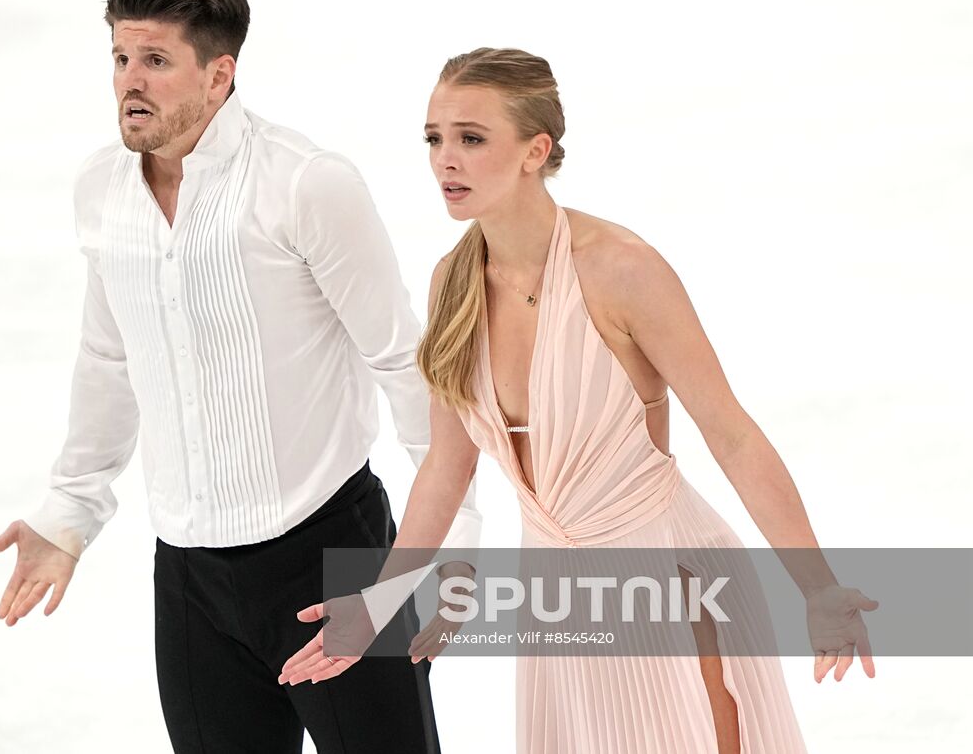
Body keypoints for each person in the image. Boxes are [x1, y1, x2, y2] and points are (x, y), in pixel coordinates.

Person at [278, 48, 878, 753]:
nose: (446, 160)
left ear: (536, 150)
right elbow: (447, 466)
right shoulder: (453, 282)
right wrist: (380, 601)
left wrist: (818, 589)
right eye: (434, 138)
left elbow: (733, 436)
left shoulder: (622, 269)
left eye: (472, 139)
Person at [0, 0, 481, 753]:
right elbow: (109, 358)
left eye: (155, 61)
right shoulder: (101, 192)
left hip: (331, 562)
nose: (129, 84)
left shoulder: (307, 186)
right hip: (189, 582)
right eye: (119, 59)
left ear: (220, 74)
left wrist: (446, 552)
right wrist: (71, 506)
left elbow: (402, 362)